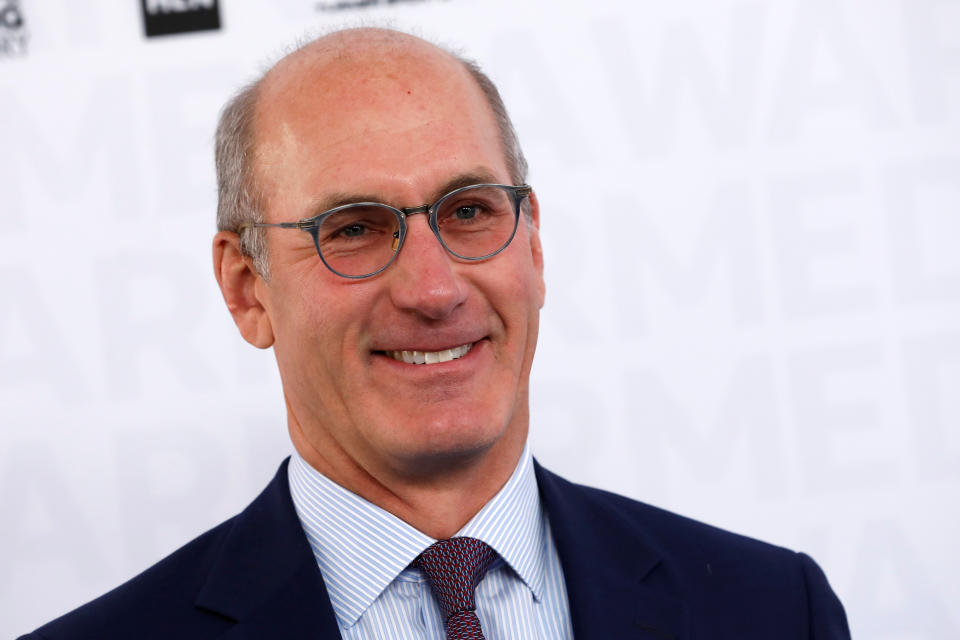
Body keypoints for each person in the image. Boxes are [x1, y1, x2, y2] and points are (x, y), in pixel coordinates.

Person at [19, 27, 851, 640]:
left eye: (469, 212)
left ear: (531, 243)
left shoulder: (775, 610)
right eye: (354, 228)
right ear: (248, 289)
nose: (434, 288)